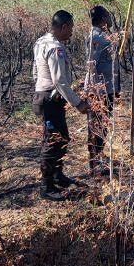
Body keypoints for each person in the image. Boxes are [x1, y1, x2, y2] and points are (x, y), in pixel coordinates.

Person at [32, 10, 89, 199]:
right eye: (71, 28)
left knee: (62, 137)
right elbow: (60, 81)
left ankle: (57, 175)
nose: (71, 32)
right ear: (63, 27)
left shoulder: (40, 42)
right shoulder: (55, 48)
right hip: (51, 99)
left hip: (44, 95)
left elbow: (35, 72)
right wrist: (78, 103)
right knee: (53, 140)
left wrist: (40, 89)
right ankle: (46, 186)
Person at [85, 5, 121, 177]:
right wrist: (95, 92)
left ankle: (99, 158)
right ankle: (95, 165)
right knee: (96, 127)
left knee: (103, 126)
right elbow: (91, 65)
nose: (110, 18)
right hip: (99, 91)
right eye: (107, 15)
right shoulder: (96, 37)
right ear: (102, 19)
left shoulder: (103, 36)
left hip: (106, 89)